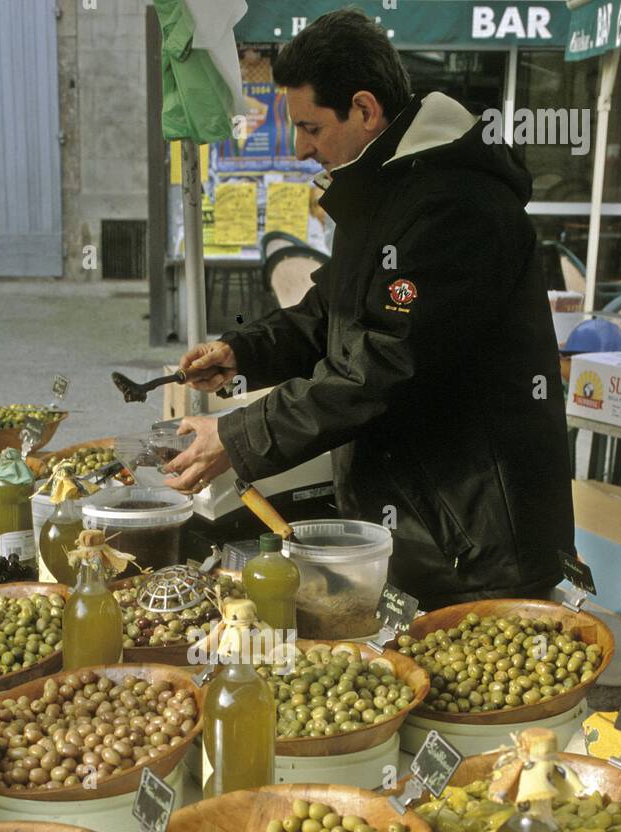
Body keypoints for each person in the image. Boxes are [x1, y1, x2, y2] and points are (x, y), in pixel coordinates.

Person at [162, 8, 575, 610]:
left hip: (477, 542)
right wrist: (244, 351)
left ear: (363, 108)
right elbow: (332, 309)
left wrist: (240, 434)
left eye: (310, 128)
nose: (300, 148)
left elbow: (382, 361)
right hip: (419, 523)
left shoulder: (455, 207)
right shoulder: (382, 186)